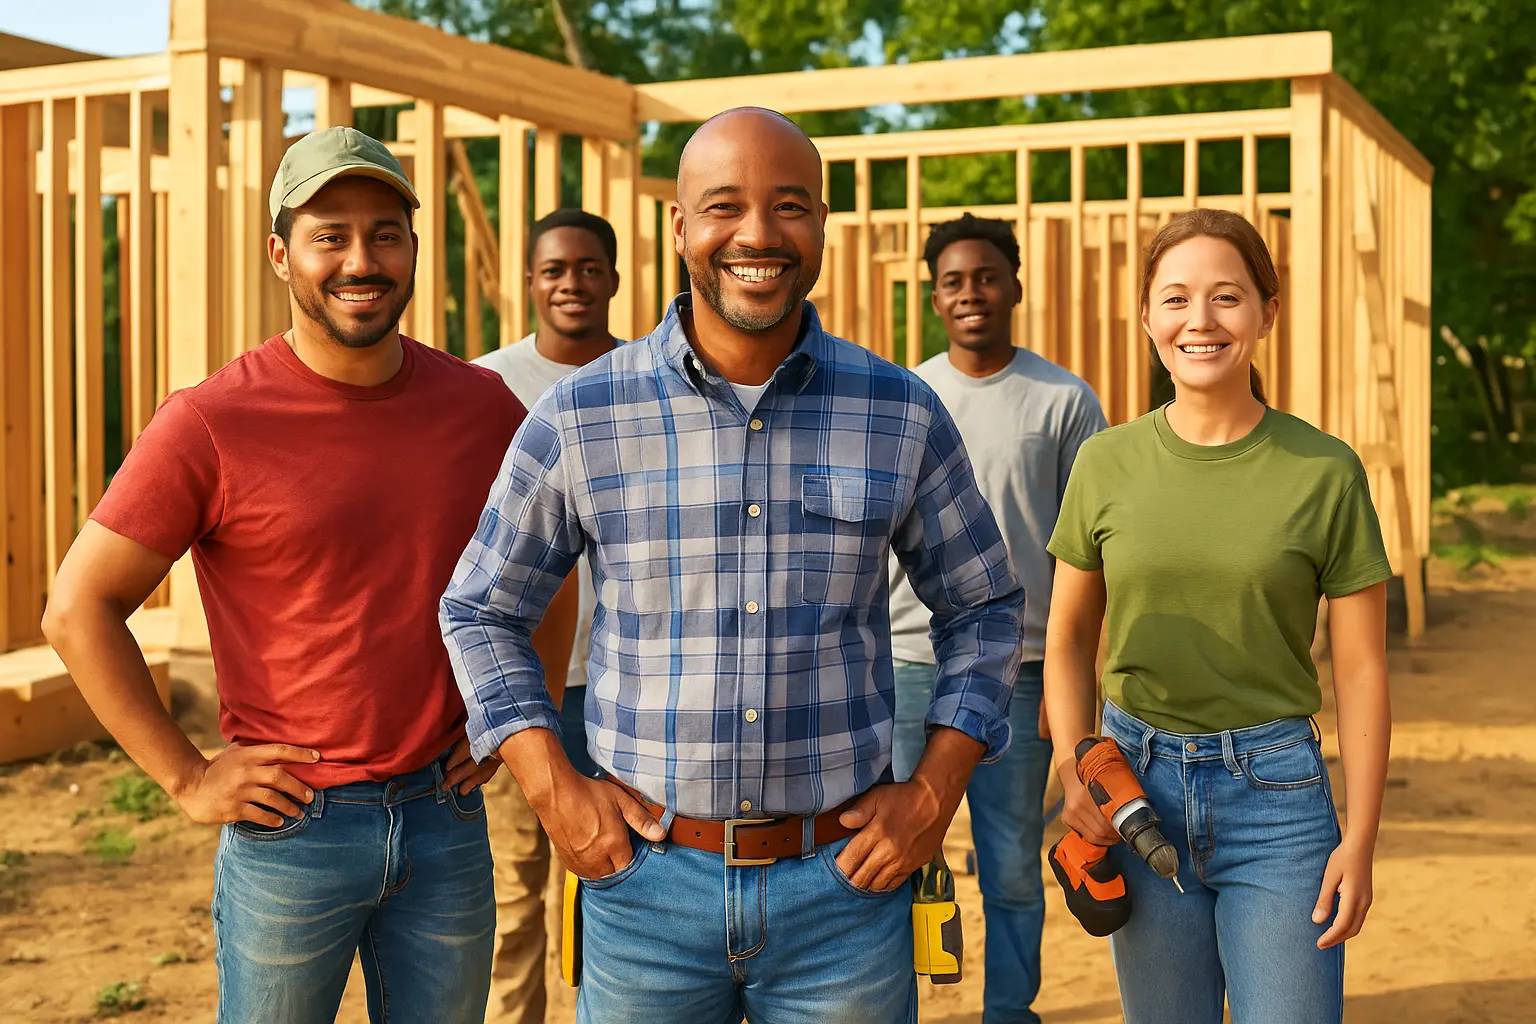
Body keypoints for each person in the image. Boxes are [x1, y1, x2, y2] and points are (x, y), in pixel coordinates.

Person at [439, 107, 1025, 1024]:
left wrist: (935, 790)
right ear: (679, 228)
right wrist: (555, 790)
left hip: (845, 892)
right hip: (645, 896)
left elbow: (986, 607)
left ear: (821, 223)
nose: (757, 234)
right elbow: (481, 609)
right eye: (724, 206)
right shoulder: (582, 416)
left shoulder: (899, 411)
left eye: (789, 205)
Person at [41, 126, 570, 1023]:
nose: (361, 259)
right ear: (283, 254)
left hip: (445, 823)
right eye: (331, 236)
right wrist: (185, 777)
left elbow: (549, 574)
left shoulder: (483, 411)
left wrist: (518, 714)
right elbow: (77, 609)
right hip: (292, 834)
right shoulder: (211, 422)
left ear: (412, 249)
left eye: (385, 233)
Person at [1043, 208, 1392, 1024]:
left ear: (1268, 312)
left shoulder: (1325, 472)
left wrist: (1363, 835)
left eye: (1227, 298)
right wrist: (1074, 764)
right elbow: (1066, 639)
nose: (1200, 321)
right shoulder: (1104, 462)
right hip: (1137, 786)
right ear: (1146, 318)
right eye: (1176, 299)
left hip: (1278, 799)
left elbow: (1363, 667)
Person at [886, 212, 1107, 1024]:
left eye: (986, 277)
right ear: (934, 297)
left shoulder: (1065, 401)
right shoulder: (906, 395)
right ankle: (891, 1004)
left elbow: (1091, 557)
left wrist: (1065, 678)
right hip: (906, 663)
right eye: (953, 281)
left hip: (1019, 672)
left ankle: (1009, 1011)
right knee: (894, 851)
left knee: (1012, 863)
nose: (970, 292)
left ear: (1014, 286)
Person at [471, 208, 621, 1023]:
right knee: (514, 887)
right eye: (555, 269)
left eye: (588, 268)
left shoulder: (652, 376)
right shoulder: (483, 386)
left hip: (622, 687)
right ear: (528, 282)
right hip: (522, 684)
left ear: (615, 280)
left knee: (614, 884)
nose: (572, 283)